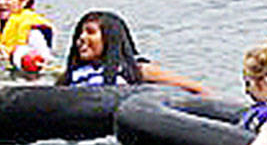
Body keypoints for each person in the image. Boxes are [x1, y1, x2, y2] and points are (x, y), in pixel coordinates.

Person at [56, 11, 209, 94]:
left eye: (90, 32)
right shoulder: (68, 77)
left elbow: (196, 88)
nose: (81, 39)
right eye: (79, 34)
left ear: (110, 39)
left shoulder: (137, 70)